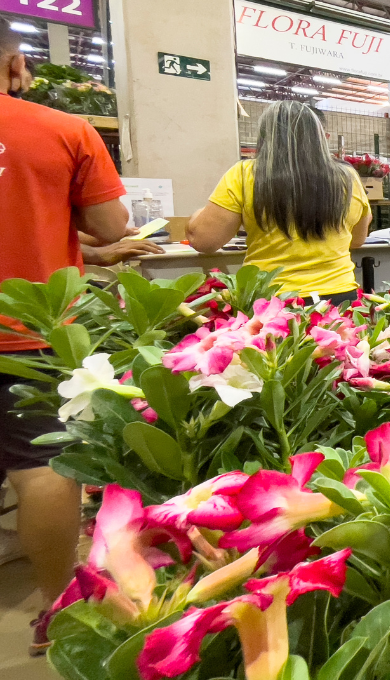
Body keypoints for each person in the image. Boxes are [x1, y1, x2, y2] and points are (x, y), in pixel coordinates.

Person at [0, 18, 133, 653]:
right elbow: (111, 224)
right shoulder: (61, 129)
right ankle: (55, 613)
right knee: (42, 467)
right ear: (16, 63)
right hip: (30, 330)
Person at [187, 101, 372, 304]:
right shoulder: (348, 177)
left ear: (265, 136)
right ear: (319, 136)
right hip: (339, 297)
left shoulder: (244, 174)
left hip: (272, 300)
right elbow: (357, 239)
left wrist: (195, 217)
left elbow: (204, 241)